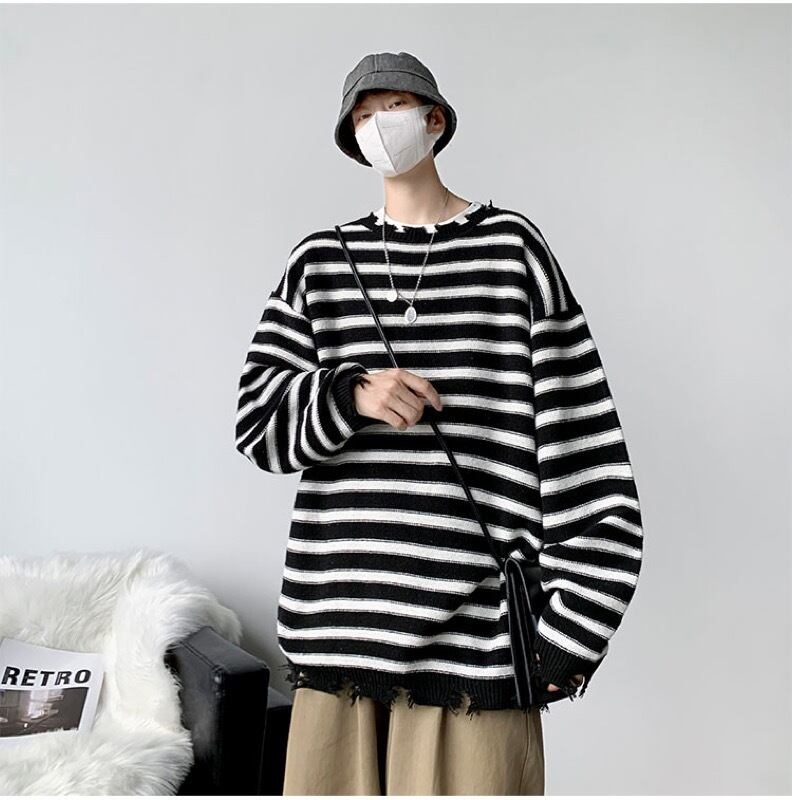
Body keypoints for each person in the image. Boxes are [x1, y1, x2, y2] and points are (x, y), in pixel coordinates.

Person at [235, 51, 643, 796]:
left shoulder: (512, 253)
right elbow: (257, 426)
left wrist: (568, 637)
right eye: (363, 116)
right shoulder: (320, 263)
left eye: (392, 107)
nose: (378, 126)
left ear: (435, 120)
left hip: (475, 657)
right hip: (338, 652)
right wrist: (349, 395)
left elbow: (587, 458)